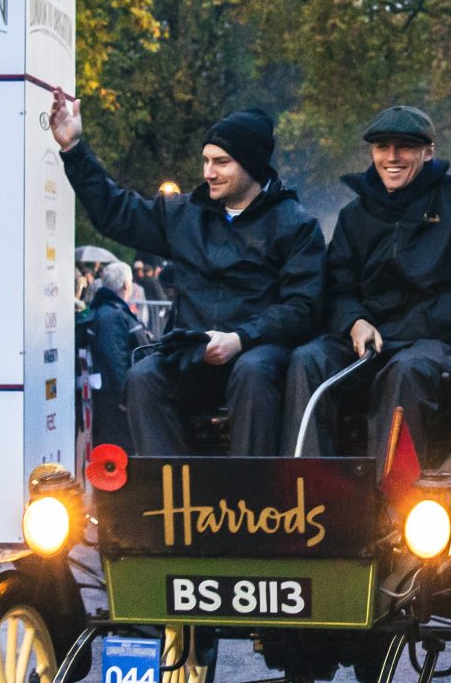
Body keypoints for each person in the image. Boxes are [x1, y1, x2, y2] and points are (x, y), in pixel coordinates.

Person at [289, 41, 451, 464]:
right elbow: (336, 286)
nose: (392, 158)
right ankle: (307, 488)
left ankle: (390, 503)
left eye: (405, 147)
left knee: (406, 371)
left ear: (429, 152)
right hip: (372, 342)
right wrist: (353, 321)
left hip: (442, 346)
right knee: (306, 360)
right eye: (382, 148)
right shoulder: (355, 216)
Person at [51, 98, 324, 455]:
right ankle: (170, 495)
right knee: (143, 377)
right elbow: (116, 212)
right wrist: (73, 148)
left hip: (259, 353)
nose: (208, 172)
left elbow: (304, 307)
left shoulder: (295, 224)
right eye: (206, 161)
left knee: (252, 372)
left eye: (221, 162)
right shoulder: (183, 214)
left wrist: (240, 338)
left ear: (252, 165)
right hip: (196, 354)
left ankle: (255, 497)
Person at [78, 259, 149, 451]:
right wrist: (124, 400)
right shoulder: (112, 315)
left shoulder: (107, 311)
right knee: (117, 455)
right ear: (126, 285)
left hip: (112, 400)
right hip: (115, 405)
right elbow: (115, 361)